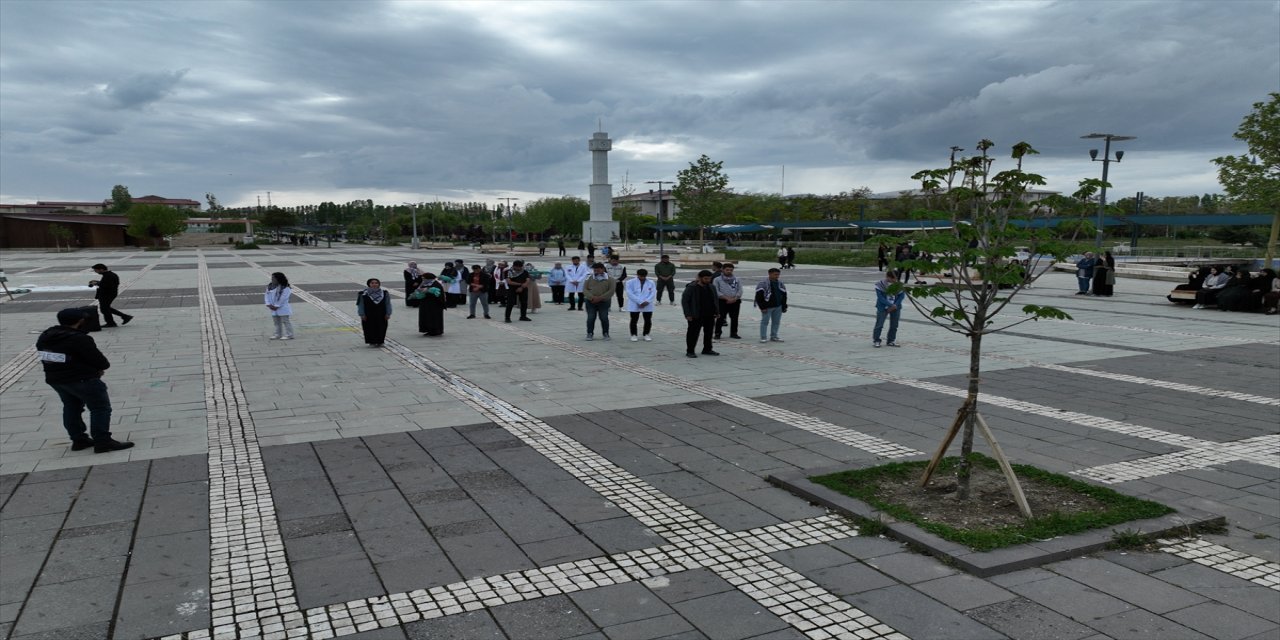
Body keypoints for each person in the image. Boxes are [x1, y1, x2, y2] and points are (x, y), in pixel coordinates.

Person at [38, 308, 134, 453]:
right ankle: (103, 441)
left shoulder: (45, 336)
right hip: (83, 380)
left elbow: (52, 358)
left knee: (71, 407)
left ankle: (78, 440)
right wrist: (94, 370)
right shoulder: (79, 338)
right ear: (80, 321)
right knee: (100, 408)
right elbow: (101, 362)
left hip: (56, 380)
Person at [682, 270, 719, 357]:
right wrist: (687, 314)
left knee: (709, 333)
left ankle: (707, 349)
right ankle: (690, 351)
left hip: (709, 314)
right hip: (696, 315)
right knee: (693, 333)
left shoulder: (711, 287)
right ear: (700, 278)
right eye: (706, 279)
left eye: (709, 279)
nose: (708, 280)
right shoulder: (691, 287)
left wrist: (717, 311)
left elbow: (715, 300)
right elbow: (685, 301)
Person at [754, 268, 788, 343]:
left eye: (778, 274)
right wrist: (762, 307)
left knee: (776, 322)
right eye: (775, 274)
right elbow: (759, 296)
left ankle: (774, 336)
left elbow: (784, 294)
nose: (777, 276)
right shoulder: (762, 283)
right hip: (767, 307)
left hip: (778, 306)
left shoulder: (780, 283)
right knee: (765, 322)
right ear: (769, 274)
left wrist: (784, 305)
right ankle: (763, 337)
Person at [873, 271, 905, 348]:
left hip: (896, 307)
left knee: (894, 325)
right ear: (887, 276)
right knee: (879, 324)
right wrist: (890, 305)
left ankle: (891, 340)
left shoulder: (899, 285)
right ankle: (876, 340)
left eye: (895, 278)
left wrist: (895, 305)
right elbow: (880, 298)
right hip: (883, 307)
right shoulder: (880, 284)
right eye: (892, 278)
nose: (894, 280)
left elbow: (901, 296)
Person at [583, 262, 614, 340]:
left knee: (604, 318)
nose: (596, 272)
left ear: (603, 269)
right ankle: (589, 333)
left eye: (597, 270)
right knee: (591, 318)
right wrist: (592, 297)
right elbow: (584, 289)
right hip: (591, 301)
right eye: (594, 270)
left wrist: (600, 298)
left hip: (604, 302)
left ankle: (605, 333)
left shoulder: (610, 279)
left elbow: (611, 291)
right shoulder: (589, 278)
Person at [357, 278, 392, 347]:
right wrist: (362, 314)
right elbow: (360, 305)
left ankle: (380, 341)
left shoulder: (384, 293)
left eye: (376, 283)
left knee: (381, 327)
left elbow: (388, 303)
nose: (374, 284)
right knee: (369, 327)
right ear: (369, 284)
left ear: (379, 284)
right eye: (372, 283)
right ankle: (371, 342)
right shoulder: (363, 294)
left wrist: (388, 313)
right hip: (368, 314)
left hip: (381, 313)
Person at [712, 262, 743, 340]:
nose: (729, 271)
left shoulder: (736, 279)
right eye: (727, 270)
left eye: (731, 270)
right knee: (720, 318)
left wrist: (735, 298)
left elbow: (740, 290)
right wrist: (726, 298)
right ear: (722, 270)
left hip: (735, 301)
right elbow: (716, 291)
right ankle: (717, 333)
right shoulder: (717, 279)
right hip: (722, 301)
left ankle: (734, 333)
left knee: (734, 318)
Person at [625, 268, 656, 342]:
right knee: (634, 320)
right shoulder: (630, 282)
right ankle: (634, 334)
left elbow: (653, 292)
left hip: (647, 303)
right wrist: (640, 302)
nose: (642, 278)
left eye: (644, 276)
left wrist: (647, 301)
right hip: (635, 303)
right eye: (641, 276)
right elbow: (630, 293)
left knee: (648, 320)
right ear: (637, 275)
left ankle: (646, 334)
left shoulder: (651, 282)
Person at [265, 272, 294, 340]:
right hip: (273, 307)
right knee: (276, 322)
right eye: (272, 277)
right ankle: (277, 334)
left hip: (282, 307)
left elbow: (283, 298)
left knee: (285, 321)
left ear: (279, 279)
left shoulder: (285, 287)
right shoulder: (269, 286)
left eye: (274, 278)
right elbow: (266, 295)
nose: (272, 279)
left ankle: (289, 334)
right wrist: (268, 303)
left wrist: (277, 305)